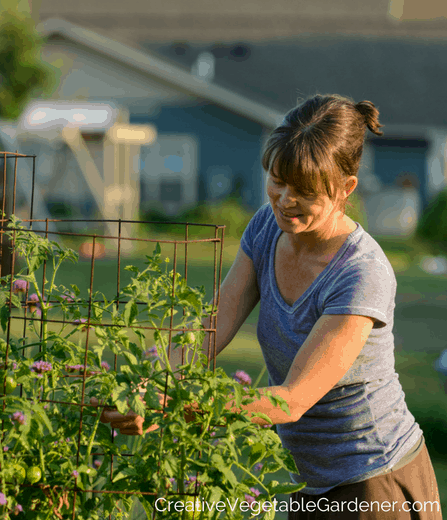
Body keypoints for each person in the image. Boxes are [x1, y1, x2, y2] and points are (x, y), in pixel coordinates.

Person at [98, 94, 442, 519]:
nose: (284, 199)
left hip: (376, 482)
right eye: (277, 180)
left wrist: (178, 404)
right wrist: (150, 385)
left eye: (305, 191)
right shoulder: (265, 227)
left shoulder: (360, 274)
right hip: (309, 481)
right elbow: (212, 326)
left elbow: (293, 400)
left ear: (346, 189)